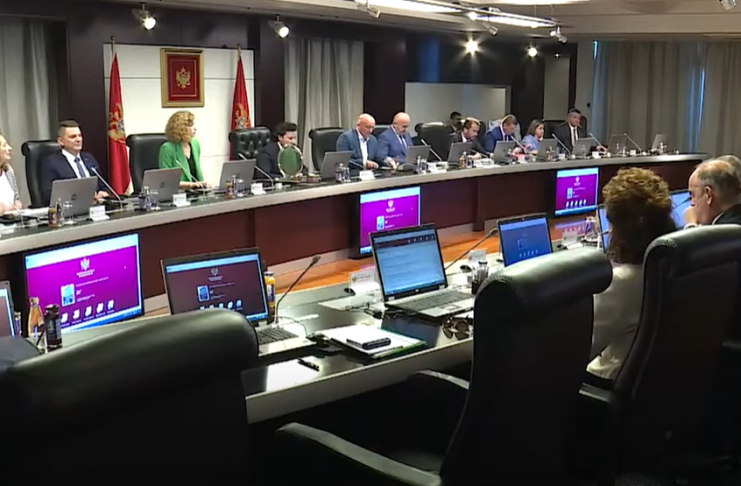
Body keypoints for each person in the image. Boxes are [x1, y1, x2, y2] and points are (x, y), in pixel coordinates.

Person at [587, 168, 677, 385]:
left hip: (601, 387)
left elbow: (575, 352)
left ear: (619, 228)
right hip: (656, 387)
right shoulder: (671, 266)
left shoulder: (621, 282)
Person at [40, 120, 108, 206]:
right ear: (61, 141)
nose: (78, 139)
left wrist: (103, 192)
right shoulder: (51, 163)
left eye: (80, 136)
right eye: (73, 137)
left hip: (96, 207)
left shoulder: (89, 158)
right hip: (71, 209)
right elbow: (48, 195)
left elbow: (103, 185)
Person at [158, 111, 207, 189]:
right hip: (178, 193)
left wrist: (204, 185)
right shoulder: (167, 148)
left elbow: (197, 173)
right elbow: (166, 181)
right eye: (190, 125)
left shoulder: (195, 144)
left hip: (197, 191)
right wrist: (190, 185)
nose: (195, 128)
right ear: (180, 128)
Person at [686, 159, 741, 226]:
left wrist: (691, 225)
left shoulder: (720, 230)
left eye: (693, 195)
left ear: (709, 195)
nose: (691, 204)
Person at [0, 133, 22, 213]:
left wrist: (17, 205)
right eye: (4, 145)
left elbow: (17, 200)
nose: (9, 148)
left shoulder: (8, 170)